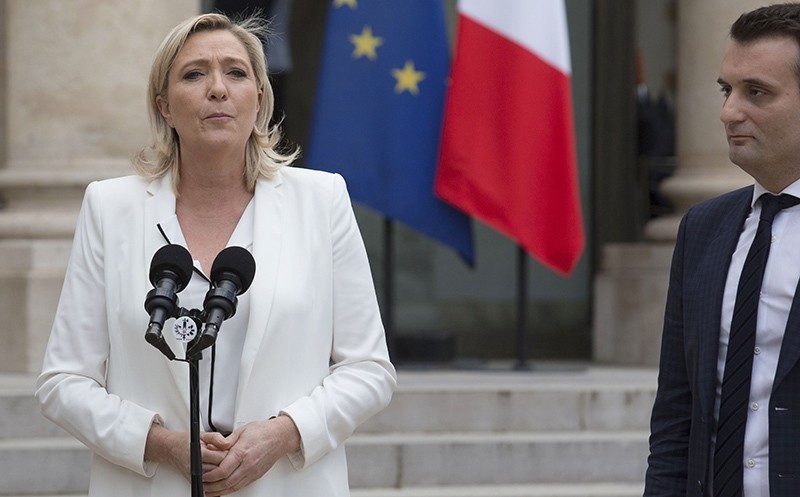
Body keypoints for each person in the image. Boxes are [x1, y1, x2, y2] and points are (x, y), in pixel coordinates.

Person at [35, 12, 396, 497]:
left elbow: (369, 370)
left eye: (236, 72)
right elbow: (63, 382)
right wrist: (159, 443)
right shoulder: (109, 207)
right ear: (165, 106)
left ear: (260, 98)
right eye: (194, 74)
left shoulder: (322, 201)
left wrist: (283, 434)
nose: (218, 89)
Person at [644, 3, 800, 497]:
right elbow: (676, 414)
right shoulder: (703, 228)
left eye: (757, 92)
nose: (729, 112)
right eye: (726, 90)